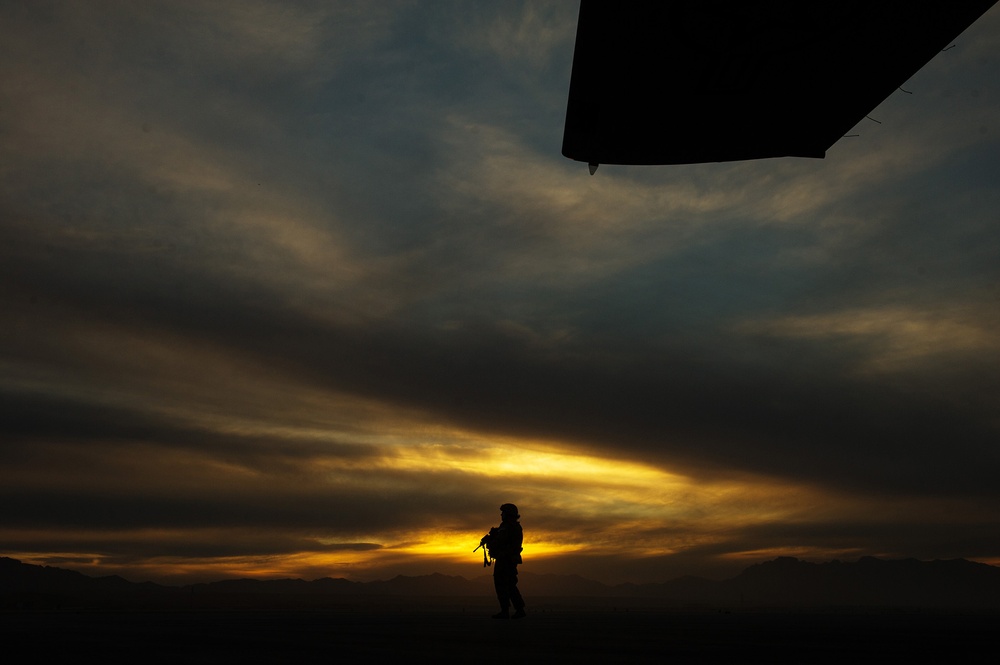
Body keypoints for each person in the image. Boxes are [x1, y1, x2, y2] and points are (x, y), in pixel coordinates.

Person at [482, 503, 526, 619]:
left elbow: (500, 541)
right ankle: (519, 609)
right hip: (509, 559)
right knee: (510, 585)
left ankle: (505, 611)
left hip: (505, 560)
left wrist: (490, 542)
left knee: (501, 584)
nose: (501, 515)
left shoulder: (507, 527)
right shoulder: (514, 527)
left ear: (508, 514)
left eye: (503, 513)